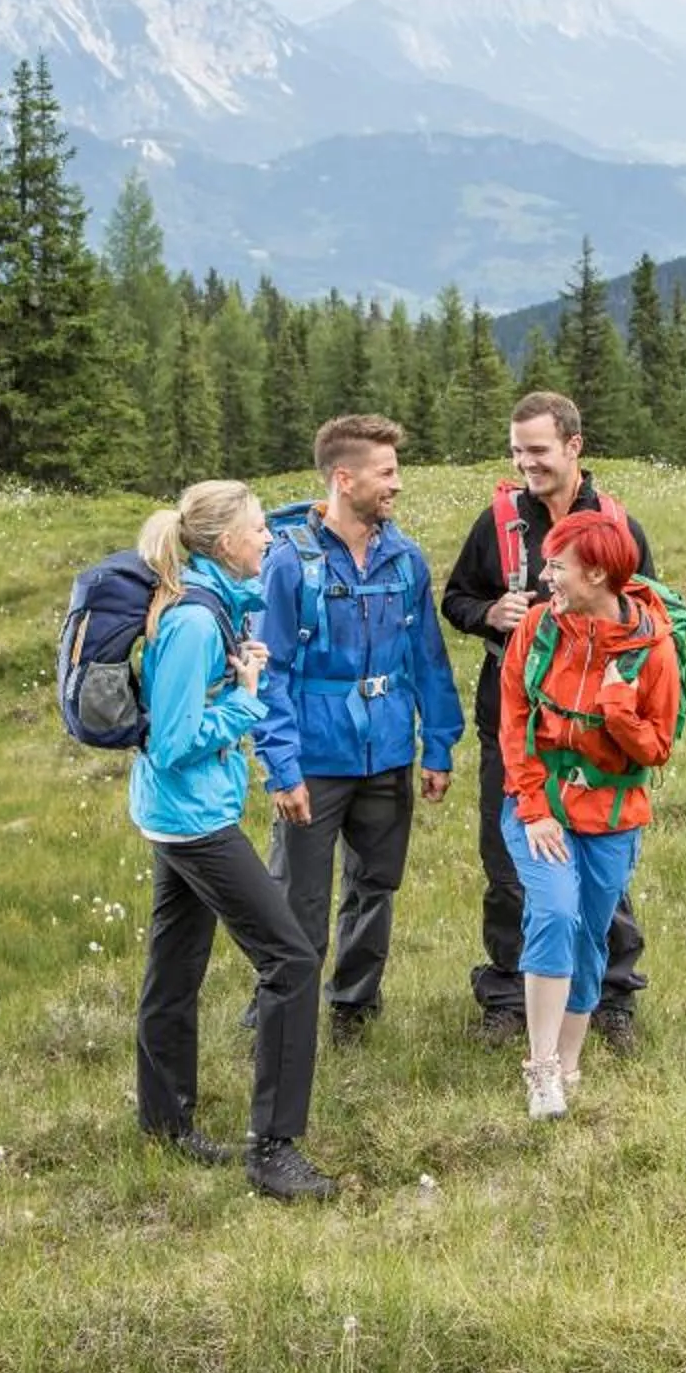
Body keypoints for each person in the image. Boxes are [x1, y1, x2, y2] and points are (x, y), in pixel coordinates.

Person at [127, 481, 338, 1202]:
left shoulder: (211, 604)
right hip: (195, 822)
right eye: (257, 532)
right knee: (292, 960)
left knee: (174, 968)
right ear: (221, 545)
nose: (269, 542)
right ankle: (273, 1150)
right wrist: (246, 703)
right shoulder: (191, 624)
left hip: (178, 815)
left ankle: (165, 1127)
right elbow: (176, 740)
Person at [441, 392, 657, 1043]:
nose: (525, 463)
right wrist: (488, 615)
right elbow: (455, 597)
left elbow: (649, 619)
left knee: (600, 870)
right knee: (510, 863)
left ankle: (610, 995)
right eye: (516, 451)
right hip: (512, 727)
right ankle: (508, 994)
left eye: (537, 450)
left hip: (600, 740)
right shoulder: (499, 521)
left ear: (573, 446)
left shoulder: (617, 526)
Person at [255, 413, 464, 1044]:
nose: (397, 485)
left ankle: (354, 1006)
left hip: (389, 754)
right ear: (344, 479)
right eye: (387, 473)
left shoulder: (406, 559)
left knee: (375, 886)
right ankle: (280, 1004)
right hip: (315, 762)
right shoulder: (291, 565)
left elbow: (427, 657)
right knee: (299, 897)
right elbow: (271, 674)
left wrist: (440, 744)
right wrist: (282, 767)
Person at [496, 507, 680, 1117]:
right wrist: (533, 806)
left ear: (598, 575)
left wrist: (620, 712)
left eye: (557, 566)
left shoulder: (651, 650)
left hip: (612, 815)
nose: (546, 577)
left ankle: (568, 1068)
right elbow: (515, 718)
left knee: (590, 935)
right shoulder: (540, 629)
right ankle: (541, 1068)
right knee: (553, 911)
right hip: (540, 805)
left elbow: (658, 749)